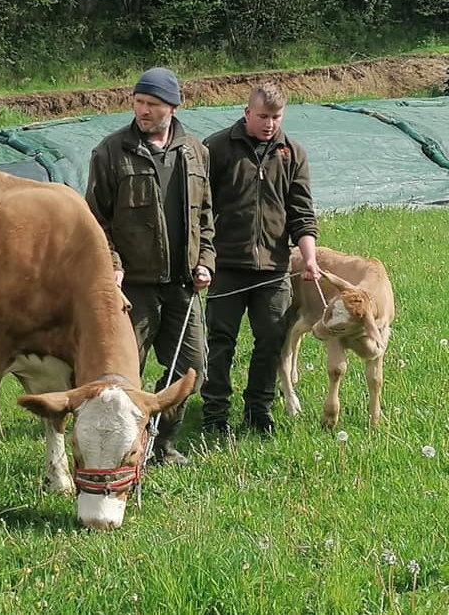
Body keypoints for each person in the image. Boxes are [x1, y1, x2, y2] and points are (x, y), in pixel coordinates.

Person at [86, 67, 215, 465]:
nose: (143, 111)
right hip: (133, 290)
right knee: (124, 377)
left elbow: (207, 216)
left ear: (173, 108)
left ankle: (162, 443)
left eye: (153, 105)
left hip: (183, 286)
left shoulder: (196, 151)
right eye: (139, 102)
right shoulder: (110, 152)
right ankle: (122, 449)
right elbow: (95, 221)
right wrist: (113, 263)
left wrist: (205, 261)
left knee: (193, 368)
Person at [201, 81, 320, 436]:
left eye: (276, 117)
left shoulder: (292, 153)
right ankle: (215, 414)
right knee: (220, 342)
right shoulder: (217, 148)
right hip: (227, 265)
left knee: (271, 339)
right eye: (263, 116)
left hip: (273, 267)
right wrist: (203, 257)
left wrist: (309, 258)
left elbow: (302, 212)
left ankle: (258, 409)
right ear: (247, 113)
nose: (269, 124)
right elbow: (201, 209)